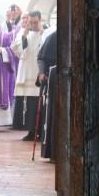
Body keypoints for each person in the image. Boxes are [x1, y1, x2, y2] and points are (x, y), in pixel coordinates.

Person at [11, 11, 43, 141]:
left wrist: (41, 34)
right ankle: (31, 131)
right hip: (26, 71)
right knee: (29, 104)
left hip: (38, 71)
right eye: (31, 22)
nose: (33, 25)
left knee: (39, 102)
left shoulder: (45, 33)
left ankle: (40, 130)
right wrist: (24, 35)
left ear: (40, 20)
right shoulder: (22, 33)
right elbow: (18, 50)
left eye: (36, 22)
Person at [37, 31, 57, 159]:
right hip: (54, 78)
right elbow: (41, 58)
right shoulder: (53, 37)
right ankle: (52, 151)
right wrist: (42, 72)